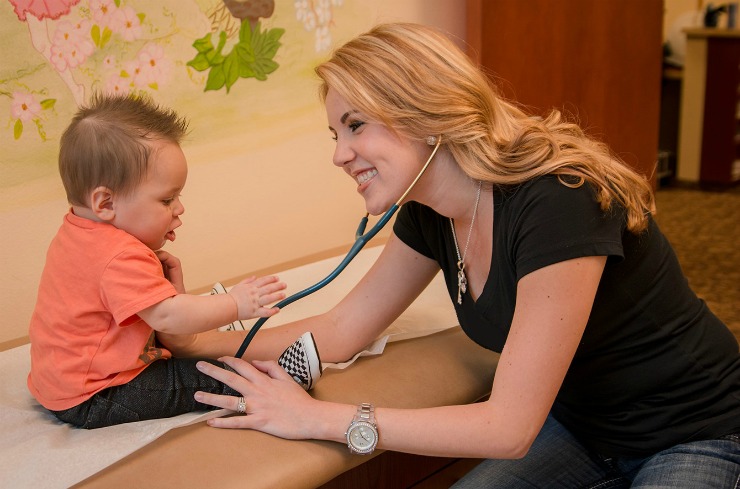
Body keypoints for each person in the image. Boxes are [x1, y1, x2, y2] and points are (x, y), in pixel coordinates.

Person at [188, 23, 739, 487]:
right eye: (334, 132)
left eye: (355, 125)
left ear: (424, 111)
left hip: (695, 431)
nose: (338, 154)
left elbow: (508, 428)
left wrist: (318, 419)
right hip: (584, 427)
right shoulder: (429, 211)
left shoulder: (557, 201)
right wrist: (193, 342)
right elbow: (342, 327)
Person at [27, 93, 323, 430]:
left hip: (59, 383)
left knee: (184, 333)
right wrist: (235, 304)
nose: (179, 208)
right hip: (97, 394)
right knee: (189, 380)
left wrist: (175, 297)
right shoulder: (120, 254)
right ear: (105, 202)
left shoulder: (77, 233)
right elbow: (168, 316)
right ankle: (273, 380)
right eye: (167, 199)